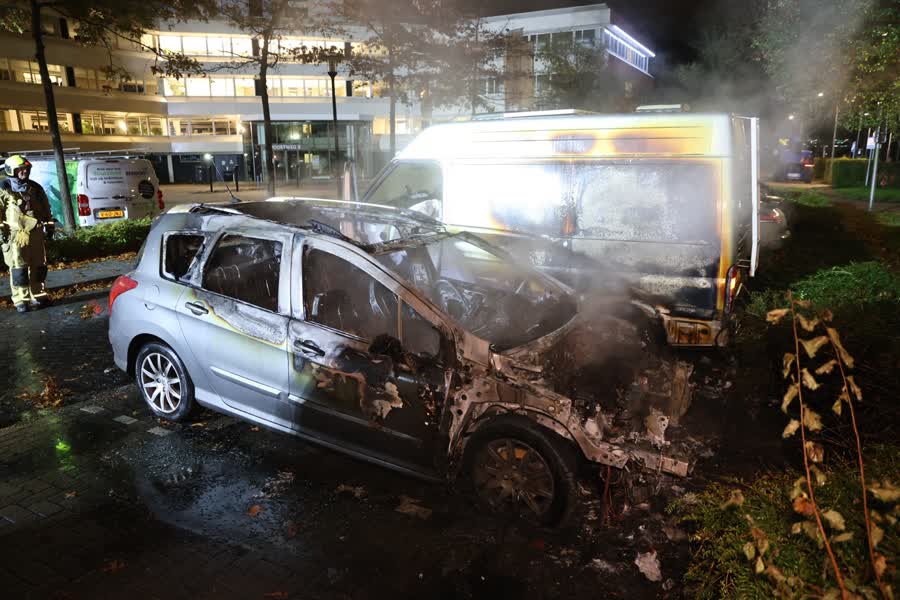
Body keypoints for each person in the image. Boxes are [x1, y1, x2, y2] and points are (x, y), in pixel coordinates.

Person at [0, 155, 54, 312]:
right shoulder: (3, 188)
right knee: (19, 267)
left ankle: (38, 295)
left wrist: (50, 226)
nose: (24, 172)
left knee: (40, 265)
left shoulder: (35, 188)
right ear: (12, 171)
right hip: (15, 234)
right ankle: (21, 300)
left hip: (35, 232)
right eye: (20, 169)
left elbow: (45, 209)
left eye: (26, 169)